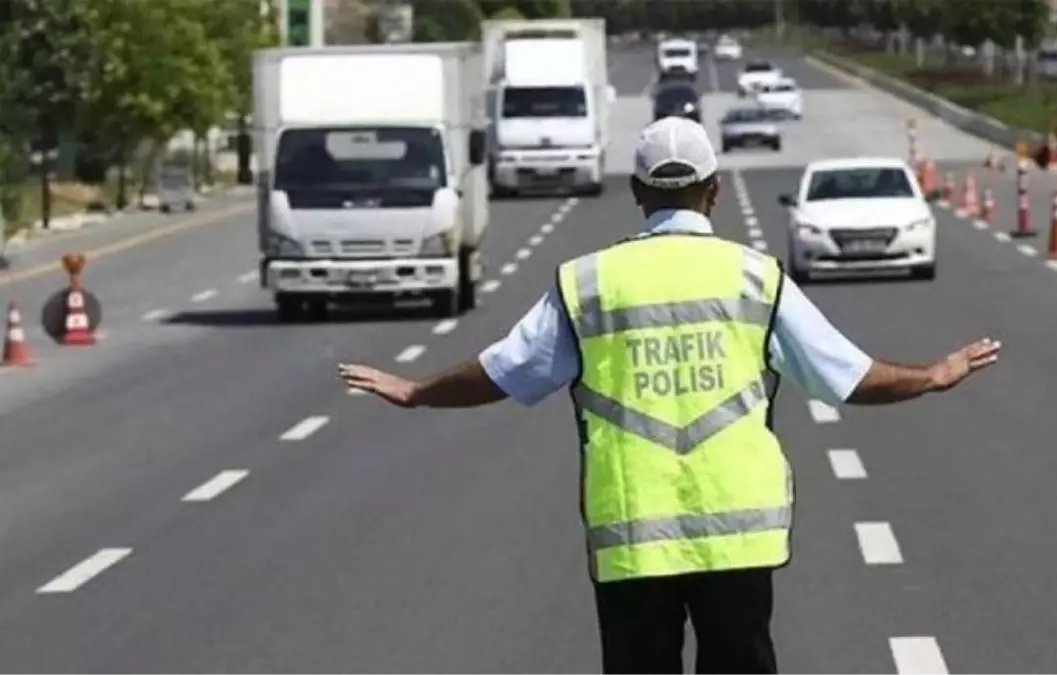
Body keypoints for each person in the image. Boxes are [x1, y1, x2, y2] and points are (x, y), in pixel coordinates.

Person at [338, 116, 1002, 675]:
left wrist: (417, 389)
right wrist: (932, 375)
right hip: (739, 537)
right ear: (714, 189)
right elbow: (846, 375)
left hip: (633, 537)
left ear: (637, 192)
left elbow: (506, 370)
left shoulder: (590, 283)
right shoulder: (754, 277)